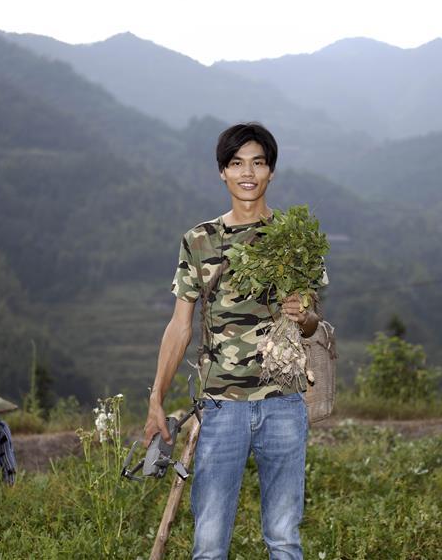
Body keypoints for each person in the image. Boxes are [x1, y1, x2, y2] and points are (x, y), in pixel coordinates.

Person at [144, 122, 325, 559]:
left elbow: (313, 323)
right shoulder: (201, 240)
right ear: (222, 172)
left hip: (283, 402)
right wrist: (155, 399)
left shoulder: (293, 238)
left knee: (284, 538)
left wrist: (303, 316)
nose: (248, 172)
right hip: (221, 405)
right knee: (208, 543)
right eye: (237, 163)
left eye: (258, 163)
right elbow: (179, 327)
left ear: (271, 172)